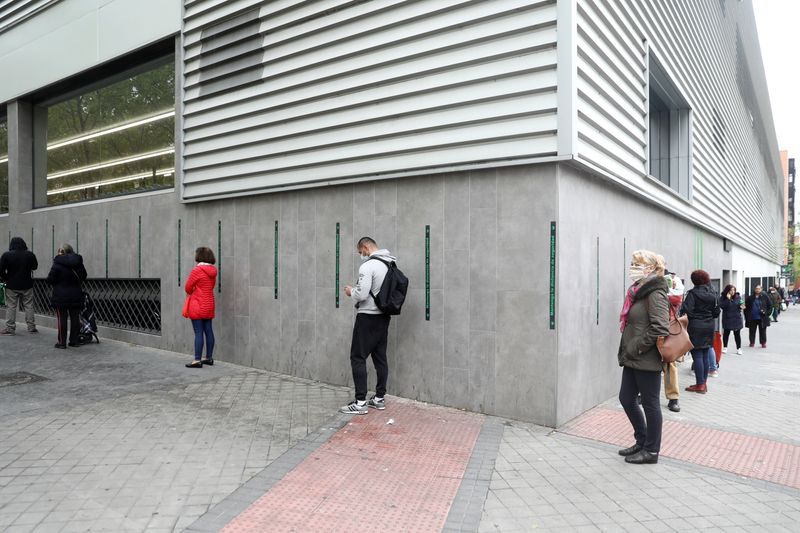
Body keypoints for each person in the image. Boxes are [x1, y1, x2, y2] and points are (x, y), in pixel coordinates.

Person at [617, 250, 670, 464]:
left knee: (650, 404)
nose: (631, 267)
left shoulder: (655, 293)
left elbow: (660, 327)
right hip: (633, 357)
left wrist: (636, 347)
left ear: (649, 268)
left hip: (645, 359)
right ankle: (641, 440)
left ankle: (651, 451)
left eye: (635, 263)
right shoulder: (638, 292)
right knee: (626, 398)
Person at [340, 237, 396, 415]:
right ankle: (379, 398)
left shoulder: (368, 266)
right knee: (380, 357)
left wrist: (351, 292)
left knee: (357, 357)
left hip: (367, 317)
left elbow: (362, 294)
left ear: (365, 247)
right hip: (383, 317)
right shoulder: (390, 263)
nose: (361, 255)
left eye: (360, 252)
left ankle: (361, 402)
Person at [681, 270, 720, 393]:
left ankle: (700, 385)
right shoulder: (713, 293)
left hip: (696, 327)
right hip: (709, 326)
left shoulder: (692, 294)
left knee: (697, 355)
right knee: (705, 354)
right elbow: (716, 312)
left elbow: (688, 311)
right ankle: (703, 383)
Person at [46, 244, 88, 349]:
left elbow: (50, 279)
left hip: (60, 295)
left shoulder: (57, 263)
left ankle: (62, 342)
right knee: (75, 318)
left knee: (62, 319)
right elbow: (84, 276)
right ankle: (74, 341)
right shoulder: (78, 262)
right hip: (76, 294)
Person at [183, 247, 217, 368]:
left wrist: (193, 290)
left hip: (197, 304)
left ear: (199, 256)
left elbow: (187, 287)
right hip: (209, 304)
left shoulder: (197, 270)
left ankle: (197, 360)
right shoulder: (213, 271)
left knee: (198, 332)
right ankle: (209, 358)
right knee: (208, 330)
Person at [0, 237, 39, 335]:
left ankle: (10, 328)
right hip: (27, 284)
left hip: (11, 285)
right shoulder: (30, 254)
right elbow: (35, 267)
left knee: (11, 307)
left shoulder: (6, 255)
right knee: (29, 305)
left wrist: (6, 278)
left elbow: (0, 270)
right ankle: (31, 327)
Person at [663, 270, 684, 412]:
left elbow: (677, 299)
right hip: (651, 329)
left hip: (668, 329)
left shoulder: (673, 283)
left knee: (670, 364)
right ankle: (641, 393)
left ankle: (673, 398)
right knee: (644, 363)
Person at [719, 284, 744, 355]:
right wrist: (727, 299)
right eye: (731, 290)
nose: (732, 291)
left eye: (734, 290)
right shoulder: (723, 298)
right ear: (727, 291)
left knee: (737, 334)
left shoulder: (738, 297)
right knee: (726, 333)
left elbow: (742, 306)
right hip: (727, 318)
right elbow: (722, 306)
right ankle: (725, 347)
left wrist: (742, 306)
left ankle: (739, 348)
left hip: (736, 318)